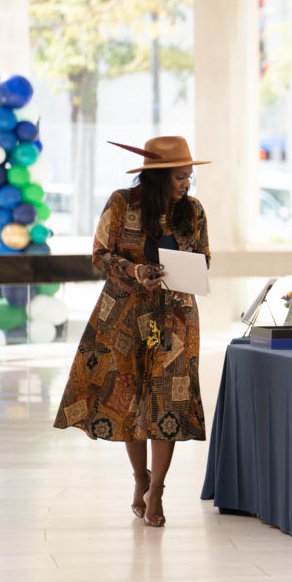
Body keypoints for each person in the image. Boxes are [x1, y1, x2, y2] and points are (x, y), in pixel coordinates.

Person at [54, 136, 211, 528]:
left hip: (174, 316)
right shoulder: (122, 202)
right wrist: (136, 271)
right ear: (158, 176)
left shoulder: (193, 211)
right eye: (179, 176)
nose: (186, 184)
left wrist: (187, 270)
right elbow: (100, 254)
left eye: (189, 176)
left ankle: (157, 488)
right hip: (126, 316)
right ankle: (139, 477)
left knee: (167, 400)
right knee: (129, 396)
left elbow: (204, 256)